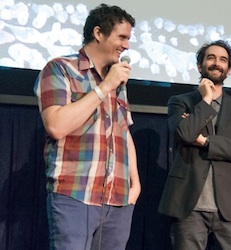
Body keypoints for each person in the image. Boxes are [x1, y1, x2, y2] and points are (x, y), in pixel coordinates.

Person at [33, 4, 138, 250]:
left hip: (118, 198)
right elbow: (56, 126)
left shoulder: (116, 79)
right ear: (99, 33)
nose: (127, 46)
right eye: (121, 37)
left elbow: (123, 131)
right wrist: (103, 88)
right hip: (75, 193)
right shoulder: (60, 69)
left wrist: (135, 183)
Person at [158, 40, 231, 250]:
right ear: (199, 65)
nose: (216, 63)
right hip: (189, 205)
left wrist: (205, 141)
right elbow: (184, 133)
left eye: (223, 60)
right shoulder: (180, 101)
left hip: (229, 207)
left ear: (228, 70)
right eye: (211, 58)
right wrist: (205, 100)